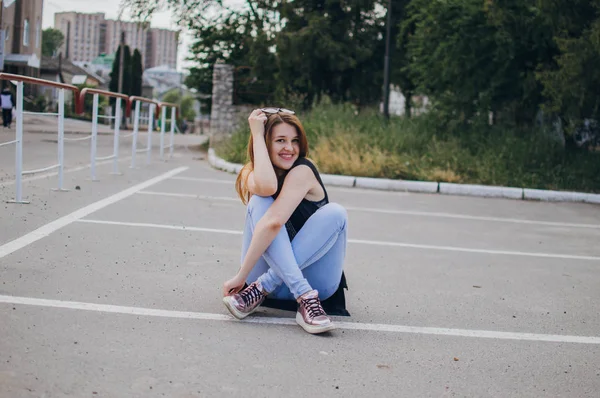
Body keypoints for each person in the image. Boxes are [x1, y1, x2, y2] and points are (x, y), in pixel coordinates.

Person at [222, 108, 349, 334]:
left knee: (335, 212)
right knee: (260, 202)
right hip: (288, 286)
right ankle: (300, 297)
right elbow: (269, 187)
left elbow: (274, 222)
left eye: (294, 140)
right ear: (264, 143)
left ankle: (270, 289)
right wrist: (257, 133)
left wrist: (245, 280)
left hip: (311, 283)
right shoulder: (250, 174)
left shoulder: (303, 170)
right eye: (280, 140)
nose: (289, 148)